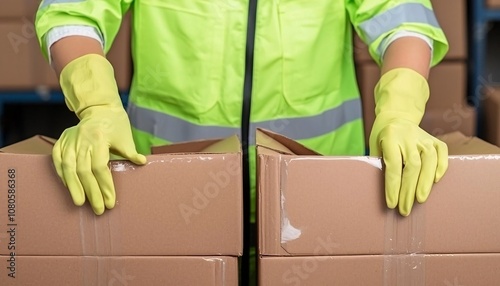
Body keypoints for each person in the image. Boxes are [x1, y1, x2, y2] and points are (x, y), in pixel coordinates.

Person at [35, 0, 449, 285]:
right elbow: (71, 12)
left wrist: (400, 110)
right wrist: (96, 105)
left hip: (315, 206)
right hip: (167, 198)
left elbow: (403, 19)